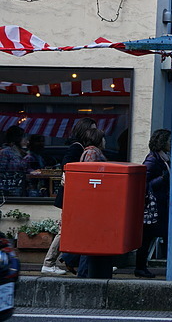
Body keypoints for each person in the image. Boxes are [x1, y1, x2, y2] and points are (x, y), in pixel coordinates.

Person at [42, 117, 97, 275]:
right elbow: (66, 165)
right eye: (91, 129)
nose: (94, 132)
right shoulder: (77, 147)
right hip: (71, 196)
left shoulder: (81, 147)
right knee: (65, 229)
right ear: (84, 131)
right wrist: (67, 174)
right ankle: (49, 262)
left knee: (74, 228)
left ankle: (75, 261)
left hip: (73, 195)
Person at [74, 127, 111, 278]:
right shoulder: (92, 152)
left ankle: (85, 272)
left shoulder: (92, 151)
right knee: (90, 240)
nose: (105, 141)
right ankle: (83, 274)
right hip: (93, 202)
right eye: (103, 137)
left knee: (90, 239)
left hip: (93, 201)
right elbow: (89, 175)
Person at [135, 129, 171, 279]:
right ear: (162, 142)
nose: (170, 143)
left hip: (161, 204)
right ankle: (140, 267)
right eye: (168, 141)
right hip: (154, 206)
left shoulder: (163, 158)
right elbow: (143, 182)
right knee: (147, 237)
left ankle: (142, 267)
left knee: (154, 236)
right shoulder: (152, 159)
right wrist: (162, 179)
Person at [0, 126, 27, 197]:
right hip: (9, 188)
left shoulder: (22, 153)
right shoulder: (5, 152)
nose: (26, 141)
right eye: (23, 137)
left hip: (20, 187)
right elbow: (1, 171)